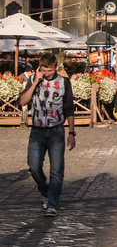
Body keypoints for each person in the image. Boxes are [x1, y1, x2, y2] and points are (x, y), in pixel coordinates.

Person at [19, 51, 75, 216]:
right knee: (34, 167)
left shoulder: (64, 82)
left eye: (50, 70)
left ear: (56, 67)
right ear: (39, 69)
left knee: (56, 169)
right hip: (37, 130)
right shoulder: (33, 80)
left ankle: (52, 203)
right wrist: (36, 81)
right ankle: (45, 191)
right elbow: (23, 101)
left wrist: (72, 132)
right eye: (44, 70)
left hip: (56, 130)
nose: (47, 73)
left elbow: (69, 108)